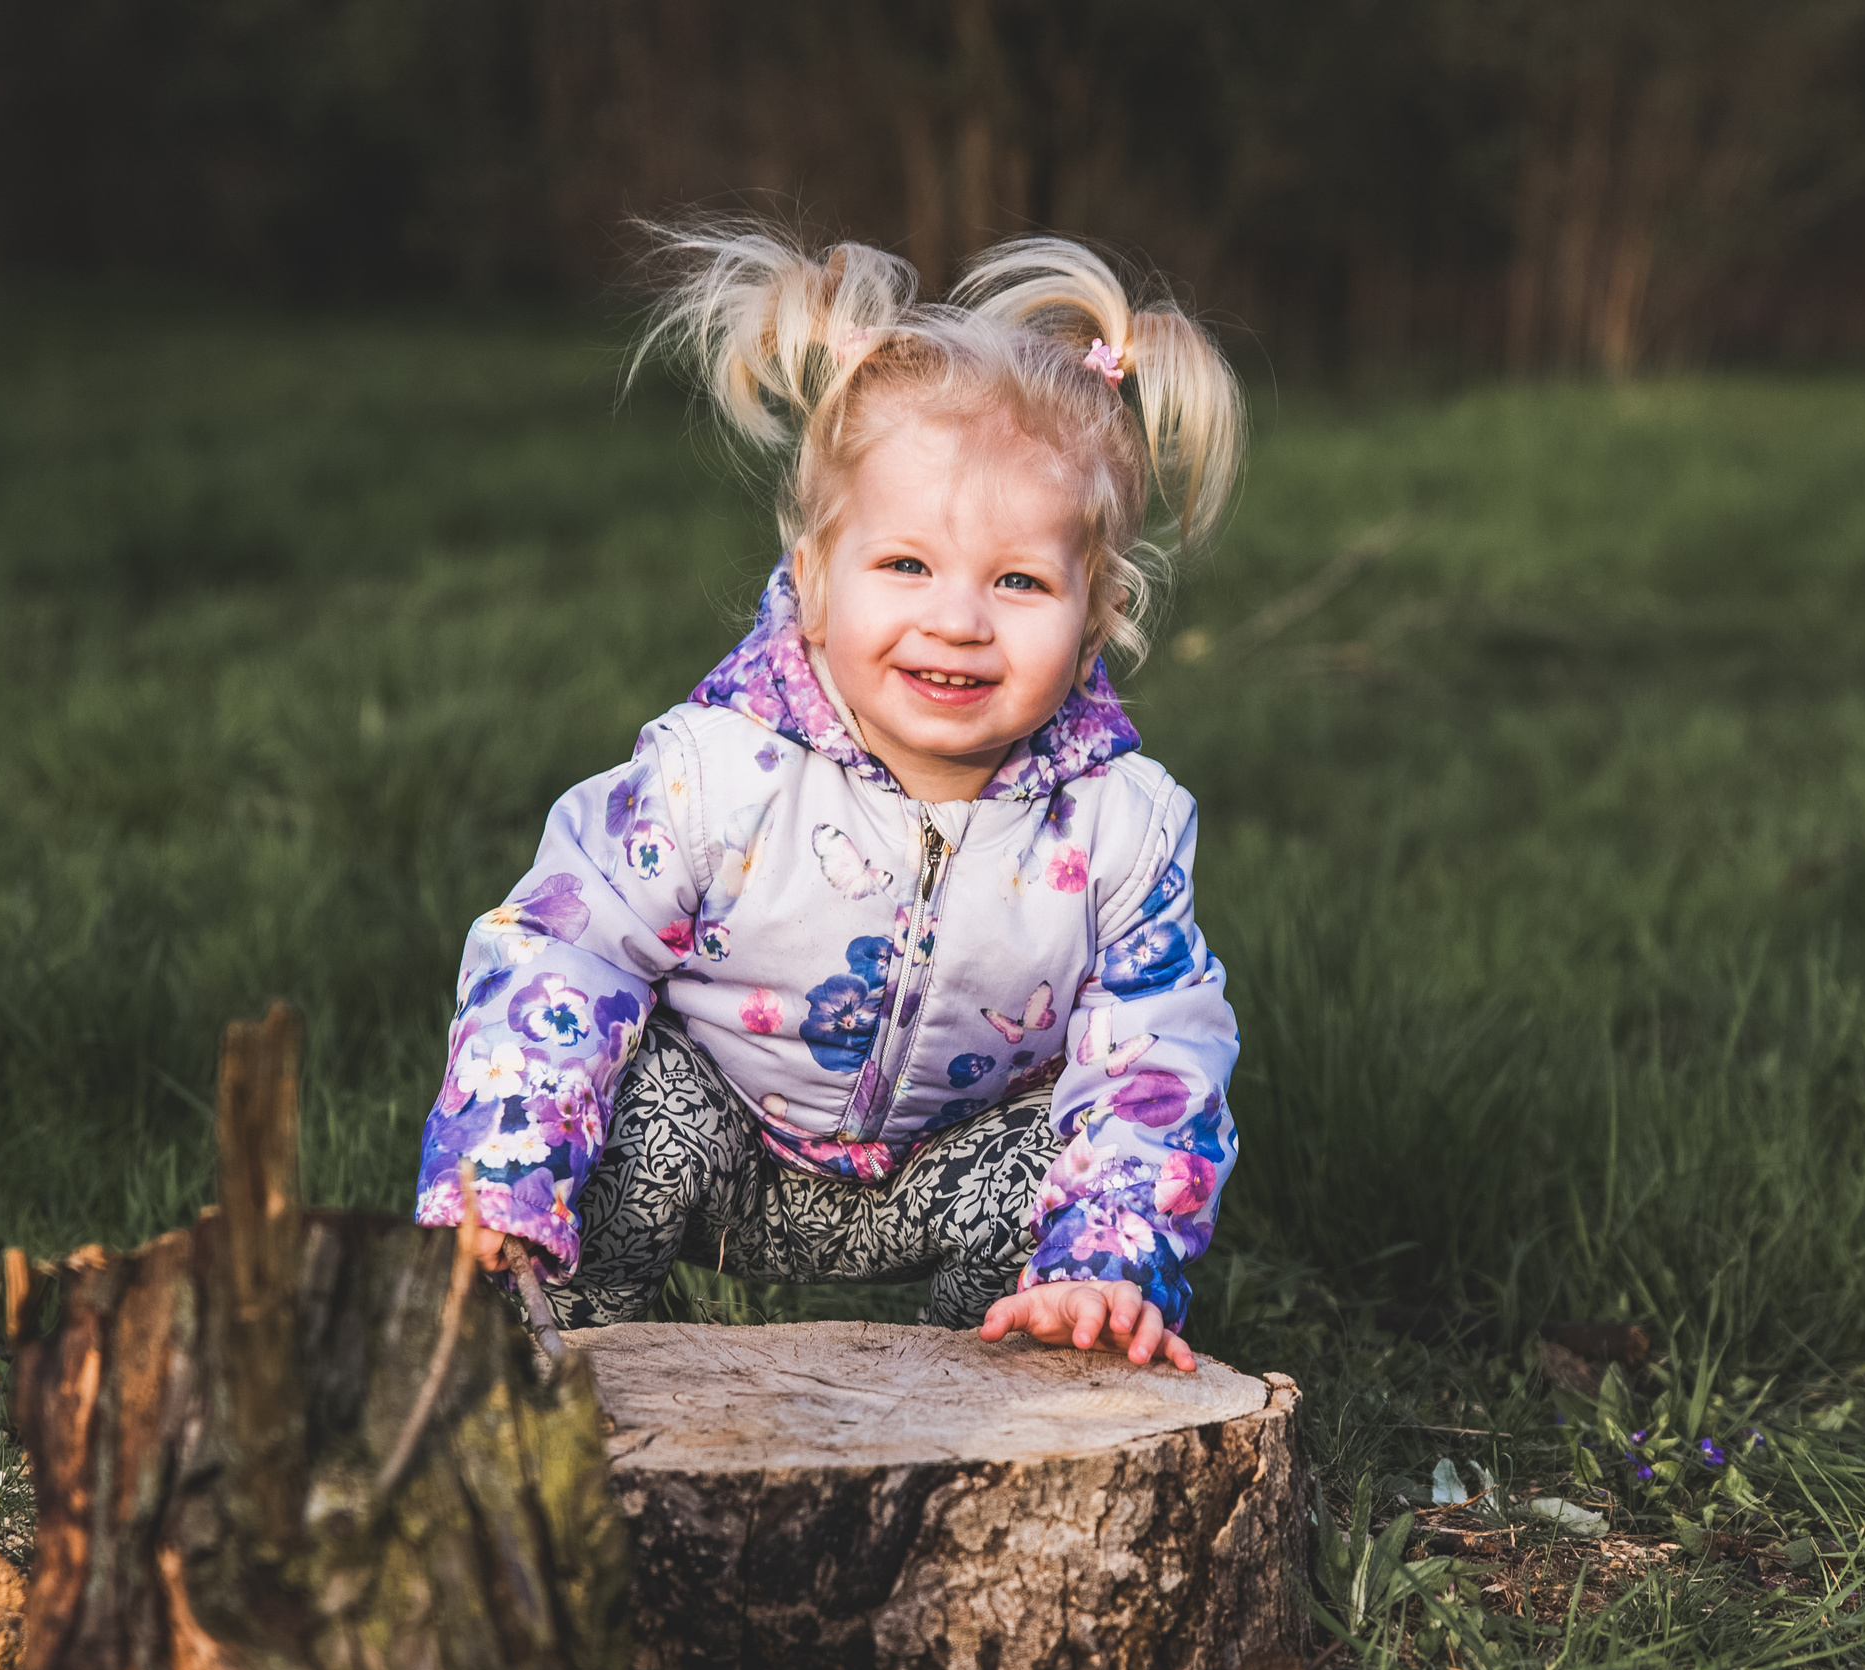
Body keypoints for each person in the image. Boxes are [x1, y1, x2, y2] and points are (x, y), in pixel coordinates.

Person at [413, 223, 1245, 1368]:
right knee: (634, 1094)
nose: (958, 618)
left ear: (1094, 613)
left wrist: (1107, 1250)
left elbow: (1154, 1050)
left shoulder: (1118, 825)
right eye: (906, 564)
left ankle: (1002, 1387)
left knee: (1060, 1153)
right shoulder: (719, 773)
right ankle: (565, 1360)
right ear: (811, 582)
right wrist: (497, 1170)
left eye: (1017, 580)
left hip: (939, 1170)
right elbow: (566, 946)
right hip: (723, 1146)